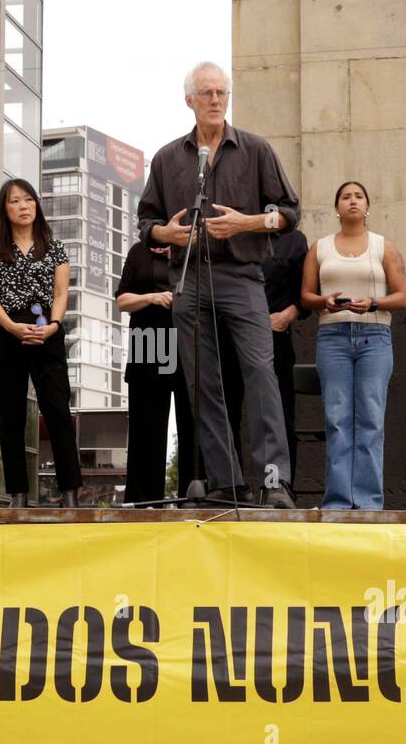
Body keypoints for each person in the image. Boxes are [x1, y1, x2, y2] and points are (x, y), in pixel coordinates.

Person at [139, 61, 299, 508]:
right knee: (202, 382)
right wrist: (165, 234)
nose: (215, 100)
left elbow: (290, 213)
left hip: (242, 275)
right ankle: (225, 481)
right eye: (206, 93)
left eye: (221, 93)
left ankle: (273, 480)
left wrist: (249, 223)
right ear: (189, 100)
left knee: (260, 372)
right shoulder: (167, 158)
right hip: (188, 276)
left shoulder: (255, 149)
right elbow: (146, 221)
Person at [301, 181, 406, 509]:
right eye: (345, 197)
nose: (352, 201)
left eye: (359, 196)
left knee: (370, 419)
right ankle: (337, 501)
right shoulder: (319, 248)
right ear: (337, 207)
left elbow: (402, 296)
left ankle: (367, 502)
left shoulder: (383, 246)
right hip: (332, 337)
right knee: (337, 418)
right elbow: (305, 296)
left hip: (374, 337)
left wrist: (374, 303)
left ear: (367, 206)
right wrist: (324, 301)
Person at [0, 178, 83, 508]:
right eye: (14, 201)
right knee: (11, 417)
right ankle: (18, 495)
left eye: (28, 199)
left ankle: (70, 492)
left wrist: (54, 325)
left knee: (57, 411)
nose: (23, 206)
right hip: (6, 332)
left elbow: (61, 294)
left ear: (36, 204)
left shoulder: (55, 247)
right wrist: (11, 326)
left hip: (45, 332)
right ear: (4, 209)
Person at [217, 226, 310, 490]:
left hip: (275, 335)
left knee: (280, 412)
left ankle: (280, 487)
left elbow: (304, 294)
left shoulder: (293, 240)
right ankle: (231, 488)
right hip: (229, 335)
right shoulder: (230, 233)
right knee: (227, 412)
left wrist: (287, 316)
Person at [115, 241, 194, 505]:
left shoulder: (193, 246)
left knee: (192, 423)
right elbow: (122, 301)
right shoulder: (138, 251)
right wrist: (152, 297)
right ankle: (142, 501)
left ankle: (192, 498)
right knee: (145, 425)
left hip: (187, 338)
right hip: (147, 339)